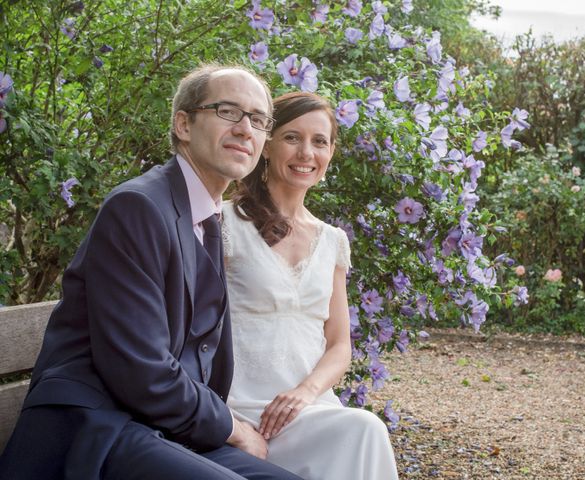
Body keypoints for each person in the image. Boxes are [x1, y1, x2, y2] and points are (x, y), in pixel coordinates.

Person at [0, 64, 303, 480]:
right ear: (183, 124)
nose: (245, 129)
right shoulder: (138, 207)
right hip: (95, 429)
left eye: (258, 119)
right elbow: (139, 368)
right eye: (228, 111)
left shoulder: (207, 216)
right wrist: (231, 427)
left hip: (161, 428)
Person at [222, 91, 399, 480]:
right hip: (241, 411)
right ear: (266, 145)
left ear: (331, 153)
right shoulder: (224, 225)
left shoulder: (333, 241)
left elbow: (339, 345)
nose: (306, 152)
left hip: (311, 409)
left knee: (362, 430)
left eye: (319, 141)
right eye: (292, 137)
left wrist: (305, 392)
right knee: (365, 429)